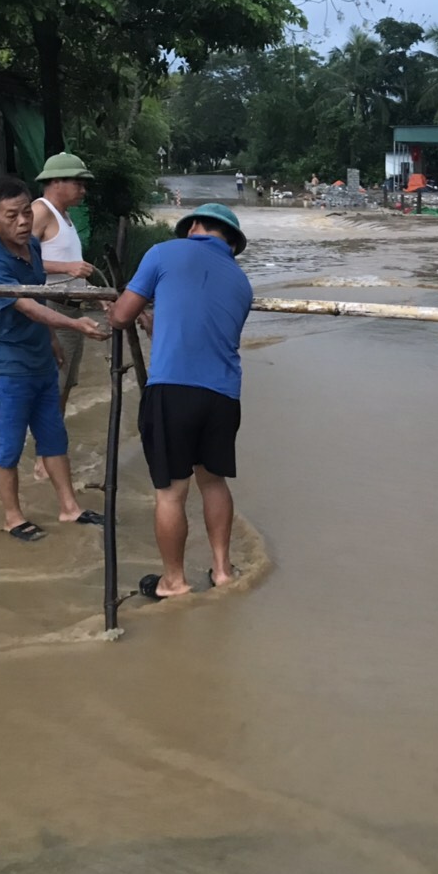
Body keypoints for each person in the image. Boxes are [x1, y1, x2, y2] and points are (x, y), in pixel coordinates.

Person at [105, 203, 253, 599]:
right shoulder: (241, 282)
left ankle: (174, 580)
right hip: (223, 396)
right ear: (231, 243)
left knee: (171, 491)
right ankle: (222, 570)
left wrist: (116, 313)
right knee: (213, 481)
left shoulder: (162, 253)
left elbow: (121, 315)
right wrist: (156, 326)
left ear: (195, 228)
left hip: (173, 391)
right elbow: (206, 334)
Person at [0, 177, 109, 541]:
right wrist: (74, 325)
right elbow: (29, 306)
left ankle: (69, 507)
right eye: (11, 215)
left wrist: (53, 340)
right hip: (8, 365)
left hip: (40, 360)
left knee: (53, 435)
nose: (21, 221)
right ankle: (13, 517)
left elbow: (39, 295)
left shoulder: (32, 247)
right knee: (10, 443)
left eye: (25, 212)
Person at [30, 152, 95, 481]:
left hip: (72, 308)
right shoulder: (40, 210)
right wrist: (66, 267)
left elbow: (71, 266)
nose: (83, 189)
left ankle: (51, 450)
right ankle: (45, 458)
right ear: (55, 182)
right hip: (53, 309)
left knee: (66, 383)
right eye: (77, 182)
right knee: (54, 386)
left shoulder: (65, 216)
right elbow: (19, 260)